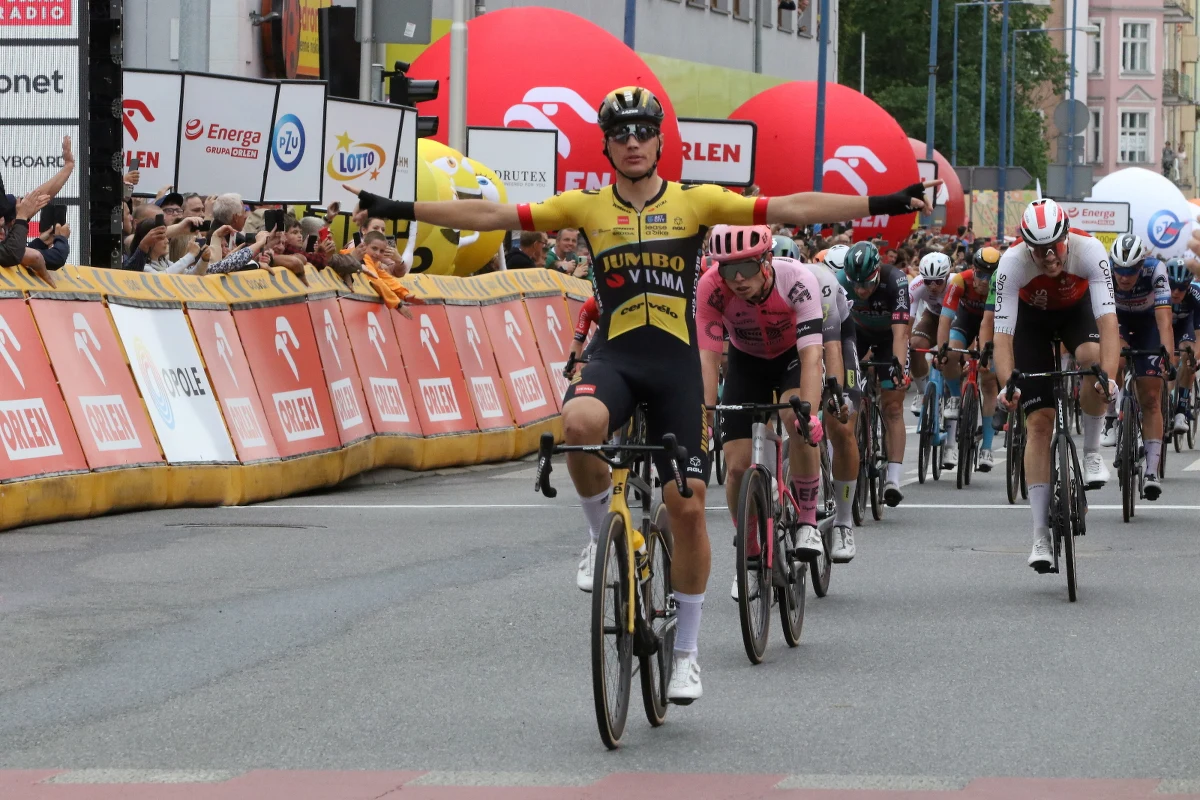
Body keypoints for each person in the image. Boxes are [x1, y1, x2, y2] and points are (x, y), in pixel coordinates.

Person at [345, 84, 933, 705]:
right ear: (606, 145)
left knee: (688, 505)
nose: (632, 142)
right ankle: (600, 534)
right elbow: (492, 216)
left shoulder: (695, 201)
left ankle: (687, 655)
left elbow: (791, 205)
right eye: (620, 133)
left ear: (659, 141)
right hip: (618, 357)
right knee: (577, 424)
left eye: (643, 132)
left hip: (676, 365)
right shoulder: (586, 207)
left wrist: (883, 200)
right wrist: (397, 208)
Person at [696, 225, 827, 602]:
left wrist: (810, 416)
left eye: (747, 267)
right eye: (727, 269)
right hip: (746, 362)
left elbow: (811, 356)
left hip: (792, 358)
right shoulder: (710, 287)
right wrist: (705, 418)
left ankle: (807, 519)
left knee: (794, 420)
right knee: (737, 467)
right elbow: (708, 358)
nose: (738, 279)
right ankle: (750, 554)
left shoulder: (797, 281)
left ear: (767, 261)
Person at [992, 198, 1117, 573]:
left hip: (1077, 313)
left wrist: (1108, 379)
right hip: (1031, 322)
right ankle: (1039, 535)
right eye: (1039, 250)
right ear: (1026, 245)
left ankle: (1092, 452)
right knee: (1038, 424)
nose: (1049, 257)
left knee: (1093, 360)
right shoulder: (1011, 263)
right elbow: (1003, 336)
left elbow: (1108, 323)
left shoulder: (1090, 249)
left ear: (1067, 237)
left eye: (1055, 247)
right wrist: (1007, 385)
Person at [788, 239, 861, 561]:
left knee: (841, 425)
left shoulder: (820, 281)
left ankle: (844, 522)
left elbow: (830, 347)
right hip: (788, 343)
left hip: (835, 336)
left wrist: (835, 395)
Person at [838, 241, 912, 506]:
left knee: (893, 406)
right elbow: (833, 331)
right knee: (844, 397)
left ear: (878, 272)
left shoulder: (896, 281)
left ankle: (893, 479)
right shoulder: (840, 282)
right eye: (855, 284)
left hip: (889, 337)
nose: (860, 290)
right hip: (856, 334)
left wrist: (899, 368)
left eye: (867, 283)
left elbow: (901, 333)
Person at [1103, 234, 1173, 499]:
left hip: (1147, 324)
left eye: (1130, 271)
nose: (1124, 277)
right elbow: (1100, 316)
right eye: (1119, 270)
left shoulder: (1156, 270)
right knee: (1117, 360)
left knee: (1152, 398)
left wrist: (1166, 356)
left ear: (1141, 266)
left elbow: (1164, 320)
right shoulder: (1105, 272)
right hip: (1118, 321)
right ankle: (1111, 416)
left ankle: (1152, 472)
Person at [936, 245, 1002, 471]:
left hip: (991, 325)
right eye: (980, 274)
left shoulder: (999, 285)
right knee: (951, 352)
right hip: (965, 322)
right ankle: (955, 396)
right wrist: (942, 351)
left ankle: (987, 447)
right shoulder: (959, 281)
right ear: (973, 270)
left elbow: (993, 323)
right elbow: (945, 320)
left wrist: (987, 354)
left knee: (989, 381)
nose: (984, 281)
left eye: (990, 276)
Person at [907, 252, 952, 426]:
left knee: (953, 354)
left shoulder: (957, 282)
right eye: (928, 281)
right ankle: (921, 392)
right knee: (915, 345)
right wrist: (905, 346)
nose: (933, 286)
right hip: (933, 317)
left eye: (938, 281)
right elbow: (908, 322)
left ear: (947, 276)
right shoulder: (916, 285)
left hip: (955, 320)